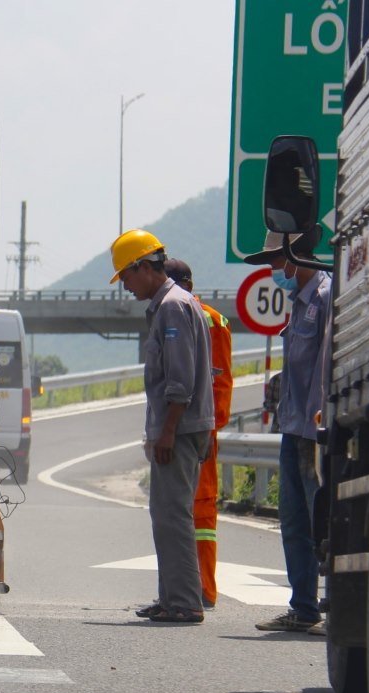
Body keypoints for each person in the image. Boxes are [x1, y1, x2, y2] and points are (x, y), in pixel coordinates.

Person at [110, 230, 215, 623]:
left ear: (143, 267)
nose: (125, 285)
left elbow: (180, 380)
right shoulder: (169, 305)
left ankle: (185, 601)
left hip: (181, 429)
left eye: (126, 276)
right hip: (179, 427)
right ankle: (171, 597)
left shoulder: (172, 307)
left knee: (173, 515)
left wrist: (167, 431)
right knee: (166, 515)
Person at [245, 230, 332, 634]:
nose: (273, 270)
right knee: (294, 522)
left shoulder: (325, 297)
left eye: (276, 261)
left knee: (323, 523)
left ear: (295, 257)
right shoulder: (298, 304)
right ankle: (303, 606)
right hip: (292, 429)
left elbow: (325, 370)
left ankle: (334, 598)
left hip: (315, 433)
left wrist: (318, 426)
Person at [164, 258, 233, 610]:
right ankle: (187, 586)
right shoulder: (188, 314)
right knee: (183, 510)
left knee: (199, 511)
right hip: (189, 426)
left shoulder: (204, 318)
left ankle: (202, 587)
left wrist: (210, 428)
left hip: (198, 429)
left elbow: (218, 380)